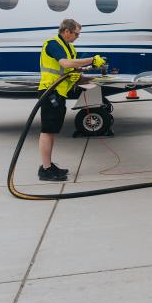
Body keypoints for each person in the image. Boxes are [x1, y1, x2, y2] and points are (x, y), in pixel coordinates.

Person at [38, 19, 106, 181]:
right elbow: (65, 63)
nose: (77, 37)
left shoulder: (70, 48)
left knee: (52, 131)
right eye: (76, 33)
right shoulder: (53, 44)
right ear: (66, 31)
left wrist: (91, 79)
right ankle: (45, 170)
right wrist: (92, 60)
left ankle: (48, 165)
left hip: (60, 93)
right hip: (50, 92)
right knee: (47, 131)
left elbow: (72, 72)